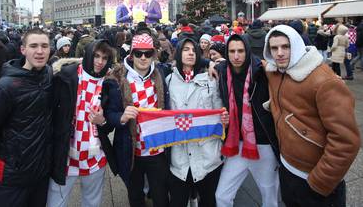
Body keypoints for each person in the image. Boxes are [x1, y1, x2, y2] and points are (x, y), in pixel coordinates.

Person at [263, 25, 360, 206]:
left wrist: (320, 182)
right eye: (274, 48)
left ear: (296, 45)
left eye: (286, 46)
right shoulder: (276, 71)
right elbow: (256, 63)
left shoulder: (325, 81)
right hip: (288, 169)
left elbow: (346, 141)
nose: (280, 53)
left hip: (315, 180)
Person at [0, 28, 54, 206]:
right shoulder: (5, 87)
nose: (39, 51)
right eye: (33, 46)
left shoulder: (47, 74)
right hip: (12, 178)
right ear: (23, 50)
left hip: (40, 174)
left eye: (44, 46)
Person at [102, 33, 170, 207]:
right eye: (138, 53)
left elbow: (191, 63)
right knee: (135, 196)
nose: (143, 57)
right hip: (131, 150)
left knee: (161, 195)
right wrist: (121, 117)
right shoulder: (117, 79)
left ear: (153, 54)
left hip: (157, 149)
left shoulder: (160, 73)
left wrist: (211, 63)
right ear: (131, 54)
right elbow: (109, 114)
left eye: (148, 53)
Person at [47, 40, 117, 207]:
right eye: (96, 56)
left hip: (94, 154)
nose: (100, 62)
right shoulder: (66, 75)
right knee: (56, 201)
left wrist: (103, 121)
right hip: (65, 154)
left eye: (105, 58)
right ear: (88, 54)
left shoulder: (109, 83)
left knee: (92, 202)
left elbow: (110, 125)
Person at [214, 34, 279, 207]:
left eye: (241, 51)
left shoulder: (262, 71)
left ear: (248, 51)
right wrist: (209, 64)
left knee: (269, 196)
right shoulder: (222, 71)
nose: (236, 56)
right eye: (232, 51)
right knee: (222, 196)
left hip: (264, 143)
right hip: (238, 143)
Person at [166, 38, 226, 207]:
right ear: (179, 53)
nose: (191, 52)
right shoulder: (169, 80)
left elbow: (219, 111)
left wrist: (224, 120)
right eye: (186, 49)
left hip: (208, 158)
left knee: (209, 202)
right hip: (180, 160)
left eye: (194, 49)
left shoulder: (210, 79)